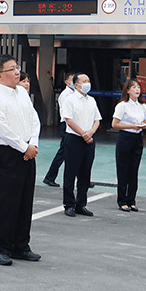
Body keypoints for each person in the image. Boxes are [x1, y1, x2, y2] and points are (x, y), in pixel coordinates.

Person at [0, 54, 41, 266]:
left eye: (17, 67)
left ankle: (20, 246)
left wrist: (32, 144)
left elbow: (34, 119)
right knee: (6, 202)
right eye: (12, 69)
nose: (18, 72)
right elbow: (3, 130)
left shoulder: (22, 93)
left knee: (25, 201)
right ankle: (0, 248)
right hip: (7, 153)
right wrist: (25, 147)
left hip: (27, 151)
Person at [61, 72, 101, 217]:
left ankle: (81, 204)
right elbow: (69, 120)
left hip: (89, 140)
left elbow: (97, 120)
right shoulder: (69, 99)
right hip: (74, 139)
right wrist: (83, 134)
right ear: (76, 85)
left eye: (88, 80)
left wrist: (90, 133)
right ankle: (69, 204)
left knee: (85, 173)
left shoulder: (91, 100)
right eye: (84, 81)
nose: (87, 83)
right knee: (70, 172)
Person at [112, 79, 146, 212]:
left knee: (134, 170)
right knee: (123, 169)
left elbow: (145, 121)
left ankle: (131, 200)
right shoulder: (122, 105)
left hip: (137, 138)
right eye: (134, 87)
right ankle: (122, 200)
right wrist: (132, 126)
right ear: (127, 90)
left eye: (138, 87)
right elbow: (115, 124)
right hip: (125, 137)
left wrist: (142, 125)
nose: (137, 90)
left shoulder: (142, 105)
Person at [43, 71, 76, 187]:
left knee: (76, 153)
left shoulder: (75, 93)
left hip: (73, 125)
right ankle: (50, 177)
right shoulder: (65, 95)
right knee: (63, 152)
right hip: (67, 124)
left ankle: (82, 177)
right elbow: (66, 113)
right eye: (72, 80)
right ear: (66, 82)